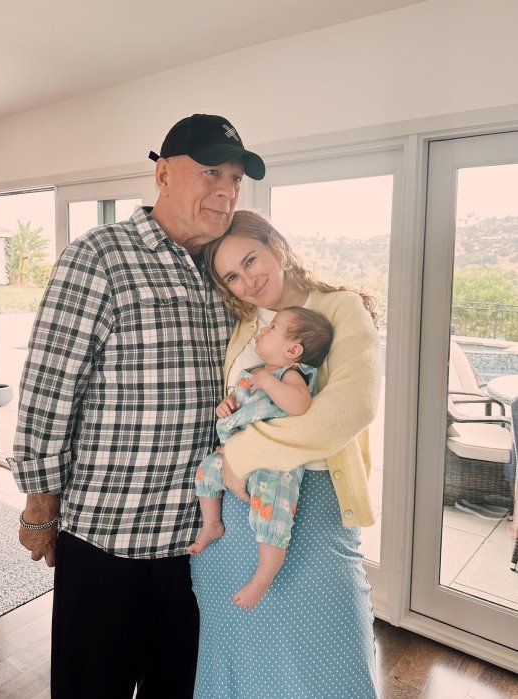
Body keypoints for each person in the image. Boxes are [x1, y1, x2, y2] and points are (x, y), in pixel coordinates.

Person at [7, 114, 265, 699]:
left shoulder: (224, 273)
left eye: (234, 177)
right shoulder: (99, 255)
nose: (225, 189)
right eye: (209, 172)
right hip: (111, 538)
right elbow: (49, 389)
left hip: (201, 542)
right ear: (163, 173)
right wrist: (40, 509)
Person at [190, 209, 382, 699]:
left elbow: (348, 410)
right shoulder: (245, 326)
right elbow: (245, 399)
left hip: (311, 502)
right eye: (232, 276)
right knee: (237, 649)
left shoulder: (338, 309)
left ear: (275, 245)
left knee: (327, 653)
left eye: (251, 260)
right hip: (233, 512)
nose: (248, 281)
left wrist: (242, 453)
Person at [188, 306, 333, 610]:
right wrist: (227, 403)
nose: (262, 331)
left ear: (292, 349)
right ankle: (211, 523)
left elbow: (298, 406)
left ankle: (263, 577)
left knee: (272, 515)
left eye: (272, 329)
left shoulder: (290, 375)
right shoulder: (253, 373)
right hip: (237, 452)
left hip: (275, 464)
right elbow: (241, 400)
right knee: (206, 471)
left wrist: (270, 383)